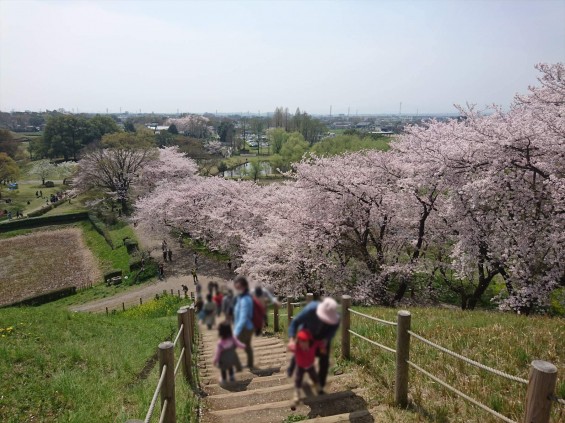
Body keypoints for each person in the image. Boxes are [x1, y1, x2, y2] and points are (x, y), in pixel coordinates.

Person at [288, 297, 340, 394]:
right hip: (306, 336)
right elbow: (295, 322)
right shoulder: (310, 310)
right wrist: (291, 338)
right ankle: (292, 369)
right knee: (300, 355)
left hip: (323, 338)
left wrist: (325, 340)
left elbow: (332, 330)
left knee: (324, 360)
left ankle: (320, 385)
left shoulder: (336, 318)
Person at [289, 328, 322, 407]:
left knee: (314, 376)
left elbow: (319, 343)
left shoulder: (313, 345)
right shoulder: (297, 348)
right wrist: (292, 341)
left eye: (305, 342)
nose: (303, 344)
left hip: (310, 365)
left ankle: (317, 385)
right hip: (300, 366)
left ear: (309, 341)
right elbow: (291, 346)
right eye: (301, 342)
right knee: (298, 379)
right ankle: (297, 393)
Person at [233, 276, 254, 369]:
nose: (237, 289)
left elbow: (243, 317)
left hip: (244, 328)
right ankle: (250, 364)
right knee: (247, 346)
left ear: (244, 286)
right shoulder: (242, 297)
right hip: (247, 327)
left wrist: (236, 332)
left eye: (239, 287)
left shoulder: (245, 299)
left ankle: (236, 367)